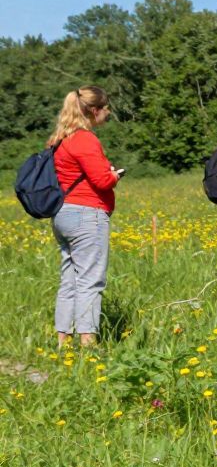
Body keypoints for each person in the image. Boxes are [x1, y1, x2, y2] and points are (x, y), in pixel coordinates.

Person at [47, 86, 122, 347]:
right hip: (86, 214)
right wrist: (114, 174)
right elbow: (102, 181)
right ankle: (88, 341)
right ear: (93, 110)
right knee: (91, 279)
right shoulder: (84, 138)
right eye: (105, 108)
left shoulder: (59, 139)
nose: (107, 113)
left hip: (62, 213)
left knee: (69, 278)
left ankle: (63, 340)